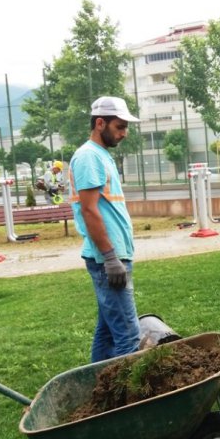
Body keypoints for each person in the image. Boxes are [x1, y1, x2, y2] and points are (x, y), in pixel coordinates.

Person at [68, 96, 142, 363]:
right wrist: (110, 258)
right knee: (128, 336)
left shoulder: (101, 156)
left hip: (112, 256)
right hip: (106, 259)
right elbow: (89, 210)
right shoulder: (88, 157)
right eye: (119, 127)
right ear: (100, 123)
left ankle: (98, 390)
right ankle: (128, 400)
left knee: (108, 333)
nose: (124, 133)